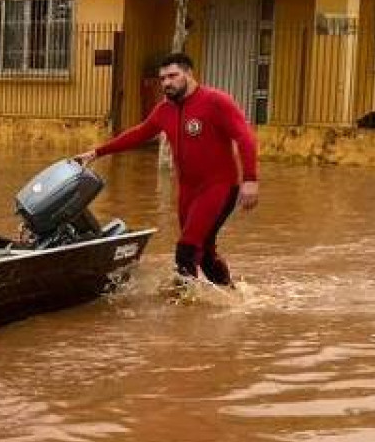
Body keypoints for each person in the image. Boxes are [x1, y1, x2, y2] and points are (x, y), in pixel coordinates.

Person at [76, 52, 259, 286]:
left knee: (186, 250)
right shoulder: (165, 109)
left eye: (172, 76)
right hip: (188, 190)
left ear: (189, 74)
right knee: (202, 251)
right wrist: (97, 152)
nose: (166, 83)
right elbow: (139, 134)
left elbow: (245, 137)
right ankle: (228, 298)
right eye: (162, 79)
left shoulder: (216, 101)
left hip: (219, 186)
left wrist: (250, 179)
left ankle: (184, 309)